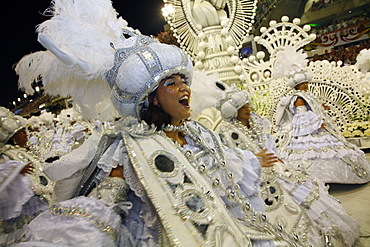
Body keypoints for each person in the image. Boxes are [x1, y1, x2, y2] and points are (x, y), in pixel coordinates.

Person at [13, 0, 299, 246]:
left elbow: (226, 160)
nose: (185, 88)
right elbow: (108, 197)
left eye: (183, 81)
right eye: (171, 84)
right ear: (150, 98)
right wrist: (83, 228)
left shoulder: (197, 131)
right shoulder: (130, 144)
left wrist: (253, 159)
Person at [212, 85, 360, 246]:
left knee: (302, 189)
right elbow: (234, 160)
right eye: (243, 107)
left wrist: (276, 159)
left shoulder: (255, 122)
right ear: (235, 111)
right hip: (256, 176)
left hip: (274, 167)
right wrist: (255, 161)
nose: (248, 109)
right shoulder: (227, 132)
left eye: (248, 106)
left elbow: (267, 143)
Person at [272, 46, 370, 184]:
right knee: (313, 153)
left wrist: (320, 107)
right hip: (306, 131)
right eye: (302, 84)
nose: (305, 86)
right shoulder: (298, 97)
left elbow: (312, 107)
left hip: (315, 126)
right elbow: (301, 116)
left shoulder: (306, 95)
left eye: (306, 84)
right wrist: (317, 124)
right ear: (296, 86)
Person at [0, 106, 51, 246]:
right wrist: (15, 174)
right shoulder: (6, 157)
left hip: (39, 205)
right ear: (12, 137)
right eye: (21, 132)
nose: (26, 134)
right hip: (22, 215)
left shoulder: (19, 151)